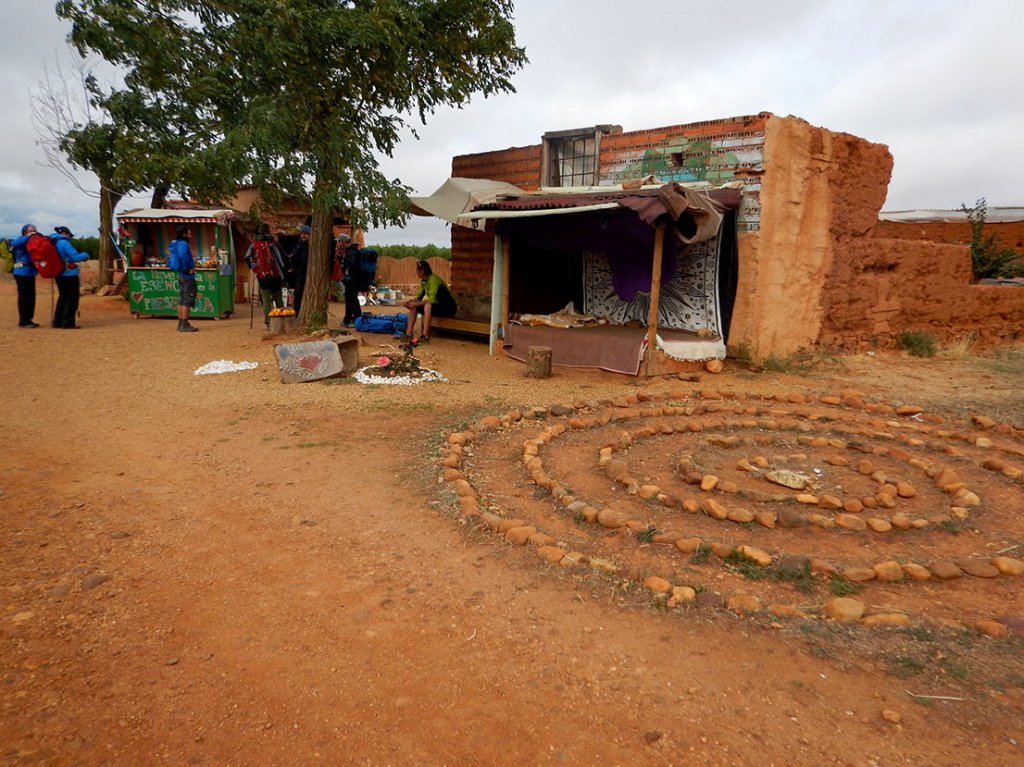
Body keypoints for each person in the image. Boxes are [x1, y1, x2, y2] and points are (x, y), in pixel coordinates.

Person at [401, 259, 457, 344]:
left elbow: (431, 299)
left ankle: (425, 336)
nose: (416, 272)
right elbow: (419, 297)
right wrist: (410, 302)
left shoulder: (433, 279)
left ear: (422, 271)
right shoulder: (424, 281)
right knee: (414, 307)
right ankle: (408, 334)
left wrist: (415, 304)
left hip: (448, 308)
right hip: (437, 306)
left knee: (427, 305)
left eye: (417, 270)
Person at [244, 223, 286, 326]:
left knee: (266, 300)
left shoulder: (254, 244)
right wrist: (284, 269)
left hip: (262, 276)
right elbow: (281, 256)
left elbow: (247, 258)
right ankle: (281, 320)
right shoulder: (273, 242)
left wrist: (254, 269)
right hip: (275, 275)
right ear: (268, 231)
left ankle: (268, 322)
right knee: (278, 298)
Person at [50, 226, 89, 329]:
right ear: (65, 233)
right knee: (71, 298)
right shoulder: (64, 243)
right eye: (69, 235)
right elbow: (75, 257)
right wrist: (85, 255)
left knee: (62, 297)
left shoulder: (53, 242)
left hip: (58, 273)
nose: (70, 237)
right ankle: (67, 322)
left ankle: (57, 321)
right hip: (69, 273)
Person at [169, 225, 199, 332]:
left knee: (182, 299)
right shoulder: (183, 244)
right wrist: (188, 268)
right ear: (184, 234)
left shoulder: (176, 243)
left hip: (181, 275)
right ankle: (184, 324)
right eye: (189, 233)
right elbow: (183, 256)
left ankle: (181, 322)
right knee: (187, 300)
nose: (190, 235)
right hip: (187, 275)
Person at [9, 224, 39, 328]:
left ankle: (29, 319)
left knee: (31, 296)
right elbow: (14, 244)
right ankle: (23, 321)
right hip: (21, 272)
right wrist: (28, 237)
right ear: (25, 232)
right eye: (31, 230)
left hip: (30, 272)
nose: (33, 232)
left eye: (34, 230)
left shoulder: (33, 241)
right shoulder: (21, 240)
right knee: (24, 297)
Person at [339, 236, 364, 328]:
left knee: (352, 300)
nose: (338, 244)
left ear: (344, 242)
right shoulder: (350, 251)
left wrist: (348, 275)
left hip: (353, 281)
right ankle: (348, 319)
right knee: (350, 300)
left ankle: (356, 319)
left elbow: (352, 265)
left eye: (339, 242)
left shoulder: (351, 252)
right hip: (352, 280)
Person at [289, 224, 311, 315]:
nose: (303, 235)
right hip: (300, 276)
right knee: (298, 296)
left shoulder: (313, 247)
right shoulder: (298, 247)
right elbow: (292, 260)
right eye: (302, 233)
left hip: (311, 276)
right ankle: (297, 315)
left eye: (306, 234)